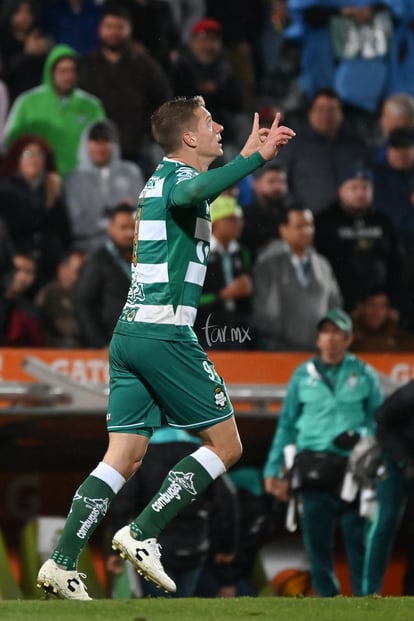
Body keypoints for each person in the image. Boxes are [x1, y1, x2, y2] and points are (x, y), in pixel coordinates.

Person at [36, 95, 296, 600]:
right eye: (208, 121)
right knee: (228, 446)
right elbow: (192, 191)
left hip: (130, 335)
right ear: (189, 139)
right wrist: (253, 161)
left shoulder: (162, 179)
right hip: (163, 334)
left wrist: (241, 158)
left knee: (123, 458)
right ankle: (142, 532)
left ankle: (62, 561)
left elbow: (197, 191)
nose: (219, 125)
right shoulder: (178, 180)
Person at [263, 308, 383, 597]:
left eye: (337, 333)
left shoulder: (364, 374)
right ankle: (328, 603)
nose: (330, 339)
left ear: (348, 338)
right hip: (312, 467)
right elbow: (287, 425)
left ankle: (367, 602)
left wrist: (362, 435)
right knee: (317, 544)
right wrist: (272, 468)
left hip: (354, 469)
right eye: (325, 332)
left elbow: (379, 421)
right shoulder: (303, 375)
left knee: (359, 541)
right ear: (318, 338)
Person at [105, 426, 238, 598]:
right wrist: (226, 546)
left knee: (158, 609)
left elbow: (124, 504)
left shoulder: (140, 456)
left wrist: (114, 550)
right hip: (194, 546)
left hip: (150, 548)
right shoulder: (203, 455)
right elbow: (226, 500)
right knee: (181, 605)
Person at [78, 5, 171, 170]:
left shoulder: (145, 65)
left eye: (120, 27)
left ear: (129, 29)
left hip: (136, 149)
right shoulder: (86, 65)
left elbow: (164, 101)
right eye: (109, 27)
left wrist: (150, 132)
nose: (114, 32)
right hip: (96, 150)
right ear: (100, 29)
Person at [3, 43, 106, 176]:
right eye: (62, 71)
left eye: (72, 70)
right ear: (50, 72)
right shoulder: (27, 101)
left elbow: (104, 143)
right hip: (40, 180)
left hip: (81, 180)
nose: (68, 76)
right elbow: (10, 141)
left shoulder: (92, 105)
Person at [252, 205, 342, 351]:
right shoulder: (267, 263)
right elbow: (264, 311)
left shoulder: (322, 263)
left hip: (318, 351)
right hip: (277, 350)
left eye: (310, 226)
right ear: (283, 230)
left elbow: (335, 303)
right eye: (299, 226)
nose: (307, 231)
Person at [314, 165, 402, 312]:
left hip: (377, 303)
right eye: (354, 188)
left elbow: (396, 262)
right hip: (339, 300)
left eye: (365, 188)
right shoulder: (324, 221)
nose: (360, 193)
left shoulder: (383, 221)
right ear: (341, 191)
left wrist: (389, 296)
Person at [276, 88, 369, 215]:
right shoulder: (293, 145)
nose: (326, 115)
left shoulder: (356, 146)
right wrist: (295, 210)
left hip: (351, 222)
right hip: (309, 224)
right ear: (310, 113)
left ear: (341, 114)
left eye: (332, 110)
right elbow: (282, 183)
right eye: (320, 109)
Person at [0, 134, 72, 291]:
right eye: (28, 154)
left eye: (40, 154)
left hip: (48, 264)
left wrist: (55, 199)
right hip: (15, 264)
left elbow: (64, 231)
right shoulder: (5, 190)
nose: (34, 158)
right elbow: (16, 226)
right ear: (17, 158)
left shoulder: (52, 188)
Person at [362, 380, 414, 595]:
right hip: (394, 461)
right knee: (387, 519)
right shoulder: (410, 392)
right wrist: (403, 461)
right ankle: (370, 592)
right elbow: (382, 421)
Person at [64, 119, 145, 253]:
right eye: (96, 141)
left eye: (106, 141)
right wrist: (113, 222)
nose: (101, 147)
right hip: (88, 248)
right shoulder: (74, 179)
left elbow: (143, 215)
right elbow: (75, 225)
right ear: (85, 144)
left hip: (129, 246)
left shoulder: (130, 172)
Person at [194, 194, 253, 351]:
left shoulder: (242, 252)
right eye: (232, 219)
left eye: (240, 219)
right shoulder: (199, 253)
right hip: (204, 331)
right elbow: (190, 299)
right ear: (216, 221)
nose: (239, 224)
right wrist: (223, 295)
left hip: (237, 331)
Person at [74, 203, 135, 348]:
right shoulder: (97, 261)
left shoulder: (147, 261)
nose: (129, 233)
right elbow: (83, 303)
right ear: (111, 228)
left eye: (134, 228)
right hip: (109, 342)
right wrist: (99, 343)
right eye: (123, 228)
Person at [35, 249, 85, 348]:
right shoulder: (49, 294)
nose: (82, 275)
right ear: (62, 269)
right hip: (55, 346)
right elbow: (64, 326)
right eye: (78, 271)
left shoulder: (86, 293)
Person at [350, 286, 414, 353]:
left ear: (390, 311)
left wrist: (391, 327)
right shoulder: (349, 336)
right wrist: (353, 322)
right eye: (371, 305)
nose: (376, 312)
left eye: (382, 307)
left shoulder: (401, 338)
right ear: (360, 308)